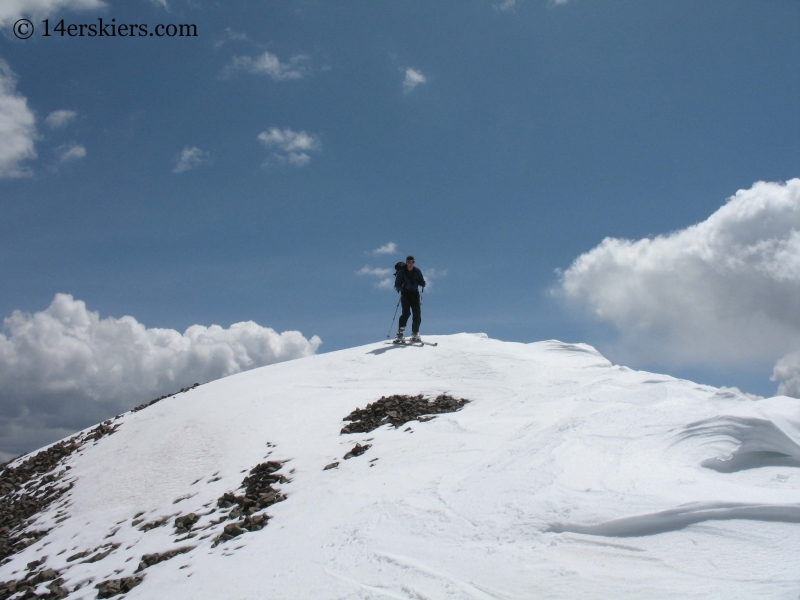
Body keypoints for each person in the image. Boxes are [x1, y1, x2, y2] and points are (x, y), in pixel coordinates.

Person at [394, 255, 426, 342]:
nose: (411, 264)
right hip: (405, 294)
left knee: (417, 312)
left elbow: (420, 280)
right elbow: (397, 285)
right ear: (406, 262)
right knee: (406, 313)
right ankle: (400, 333)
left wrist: (422, 283)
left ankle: (415, 332)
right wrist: (402, 288)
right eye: (409, 262)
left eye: (412, 262)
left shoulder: (417, 271)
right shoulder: (401, 272)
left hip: (415, 293)